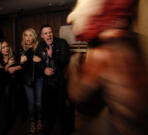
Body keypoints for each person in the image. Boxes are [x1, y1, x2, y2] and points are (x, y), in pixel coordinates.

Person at [66, 0, 148, 135]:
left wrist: (74, 64)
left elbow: (76, 94)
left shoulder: (102, 53)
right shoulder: (132, 40)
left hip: (123, 128)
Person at [35, 24, 70, 135]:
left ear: (52, 33)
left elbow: (65, 61)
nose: (48, 35)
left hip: (60, 81)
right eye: (45, 33)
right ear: (41, 36)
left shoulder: (62, 43)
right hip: (47, 82)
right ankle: (48, 127)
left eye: (50, 32)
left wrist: (52, 55)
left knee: (61, 108)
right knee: (47, 108)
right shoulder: (40, 46)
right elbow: (37, 62)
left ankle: (65, 129)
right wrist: (44, 69)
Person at [17, 28, 43, 134]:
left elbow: (45, 62)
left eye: (30, 35)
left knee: (39, 102)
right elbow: (17, 65)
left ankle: (39, 120)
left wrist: (40, 60)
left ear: (34, 37)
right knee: (31, 102)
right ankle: (32, 121)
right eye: (26, 35)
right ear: (24, 37)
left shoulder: (39, 48)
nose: (28, 38)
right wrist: (21, 62)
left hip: (39, 79)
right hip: (27, 80)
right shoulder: (20, 49)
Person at [0, 39, 21, 134]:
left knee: (13, 106)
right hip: (3, 89)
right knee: (5, 109)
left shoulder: (13, 56)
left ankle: (9, 124)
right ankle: (4, 127)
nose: (6, 49)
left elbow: (22, 67)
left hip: (15, 85)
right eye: (3, 47)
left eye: (7, 46)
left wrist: (15, 67)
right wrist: (7, 66)